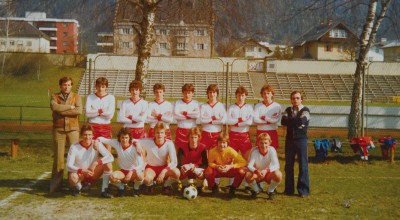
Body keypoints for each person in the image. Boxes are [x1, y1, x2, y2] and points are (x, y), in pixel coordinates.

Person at [50, 76, 82, 193]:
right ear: (60, 86)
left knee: (73, 157)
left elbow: (78, 111)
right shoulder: (54, 96)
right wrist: (69, 107)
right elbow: (54, 107)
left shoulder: (77, 97)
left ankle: (73, 184)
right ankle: (56, 184)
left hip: (73, 129)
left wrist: (61, 110)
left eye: (68, 85)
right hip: (58, 129)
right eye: (64, 85)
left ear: (71, 85)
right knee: (58, 158)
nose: (66, 87)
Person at [66, 125, 114, 198]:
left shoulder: (96, 144)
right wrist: (82, 171)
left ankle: (104, 190)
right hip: (81, 174)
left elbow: (110, 157)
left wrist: (96, 163)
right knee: (73, 177)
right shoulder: (74, 146)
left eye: (89, 135)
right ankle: (78, 187)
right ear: (81, 135)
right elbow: (68, 166)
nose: (87, 137)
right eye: (85, 135)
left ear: (93, 135)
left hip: (93, 173)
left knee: (108, 164)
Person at [97, 127, 144, 197]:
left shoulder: (135, 148)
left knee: (140, 176)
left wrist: (131, 171)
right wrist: (96, 140)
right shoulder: (117, 143)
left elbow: (141, 164)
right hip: (123, 171)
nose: (124, 140)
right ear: (119, 138)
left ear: (129, 138)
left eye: (126, 138)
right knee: (112, 177)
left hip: (133, 172)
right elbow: (102, 139)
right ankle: (121, 187)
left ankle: (136, 188)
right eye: (122, 137)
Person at [281, 90, 310, 198]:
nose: (295, 100)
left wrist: (291, 121)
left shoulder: (306, 110)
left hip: (301, 140)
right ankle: (288, 190)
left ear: (301, 99)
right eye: (293, 98)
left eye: (297, 98)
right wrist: (295, 121)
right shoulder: (288, 109)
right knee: (288, 166)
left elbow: (301, 121)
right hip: (289, 140)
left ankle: (303, 190)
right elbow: (283, 121)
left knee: (303, 165)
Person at [139, 122, 180, 195]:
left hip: (163, 167)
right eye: (157, 132)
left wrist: (164, 171)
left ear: (165, 134)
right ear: (154, 133)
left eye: (162, 132)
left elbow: (174, 162)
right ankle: (150, 184)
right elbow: (133, 141)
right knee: (146, 179)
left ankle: (166, 185)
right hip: (151, 168)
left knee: (177, 173)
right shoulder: (148, 141)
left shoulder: (169, 143)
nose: (159, 135)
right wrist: (137, 145)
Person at [226, 86, 254, 191]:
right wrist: (241, 120)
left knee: (248, 160)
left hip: (244, 136)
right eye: (238, 95)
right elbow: (228, 121)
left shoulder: (249, 108)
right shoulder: (231, 107)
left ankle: (247, 185)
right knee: (231, 160)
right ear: (236, 96)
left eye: (242, 95)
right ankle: (231, 184)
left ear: (245, 96)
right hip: (233, 135)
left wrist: (236, 121)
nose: (240, 97)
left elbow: (249, 122)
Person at [245, 133, 282, 200]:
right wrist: (257, 171)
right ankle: (256, 190)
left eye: (266, 143)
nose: (264, 145)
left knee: (278, 174)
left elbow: (277, 165)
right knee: (248, 175)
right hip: (257, 174)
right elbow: (249, 165)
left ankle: (270, 191)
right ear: (258, 143)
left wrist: (266, 170)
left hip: (267, 174)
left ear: (269, 143)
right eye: (261, 143)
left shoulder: (272, 150)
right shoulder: (254, 151)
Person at [85, 77, 115, 150]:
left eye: (103, 87)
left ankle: (108, 161)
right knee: (92, 150)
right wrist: (100, 111)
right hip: (93, 125)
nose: (100, 89)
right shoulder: (90, 97)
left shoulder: (111, 97)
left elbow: (110, 115)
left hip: (105, 126)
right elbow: (87, 114)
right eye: (98, 86)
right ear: (96, 86)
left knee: (108, 150)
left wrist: (94, 112)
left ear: (106, 87)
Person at [177, 127, 208, 193]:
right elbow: (178, 164)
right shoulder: (182, 147)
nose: (193, 140)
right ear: (188, 138)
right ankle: (185, 185)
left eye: (195, 137)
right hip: (186, 170)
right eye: (191, 137)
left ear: (198, 138)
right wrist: (184, 167)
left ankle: (199, 187)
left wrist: (195, 166)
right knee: (180, 171)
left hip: (196, 169)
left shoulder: (203, 147)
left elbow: (205, 164)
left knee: (201, 173)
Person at [254, 84, 282, 149]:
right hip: (260, 131)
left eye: (268, 93)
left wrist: (265, 118)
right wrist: (268, 121)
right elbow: (255, 120)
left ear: (272, 94)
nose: (266, 95)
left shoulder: (277, 106)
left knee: (272, 152)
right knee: (259, 152)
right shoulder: (258, 106)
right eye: (264, 93)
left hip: (272, 131)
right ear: (262, 95)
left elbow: (275, 120)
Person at [200, 84, 227, 150]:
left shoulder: (220, 106)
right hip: (205, 133)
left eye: (214, 92)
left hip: (217, 133)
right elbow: (201, 120)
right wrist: (214, 119)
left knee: (215, 156)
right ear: (208, 94)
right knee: (204, 156)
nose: (212, 94)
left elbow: (223, 121)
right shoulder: (204, 106)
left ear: (217, 94)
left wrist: (208, 119)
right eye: (210, 92)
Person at [174, 83, 200, 150]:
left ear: (192, 93)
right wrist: (191, 116)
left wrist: (184, 113)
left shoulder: (195, 103)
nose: (187, 95)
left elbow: (197, 115)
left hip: (192, 130)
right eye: (185, 93)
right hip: (181, 130)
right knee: (180, 150)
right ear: (183, 93)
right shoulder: (178, 102)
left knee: (192, 150)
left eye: (189, 93)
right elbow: (176, 116)